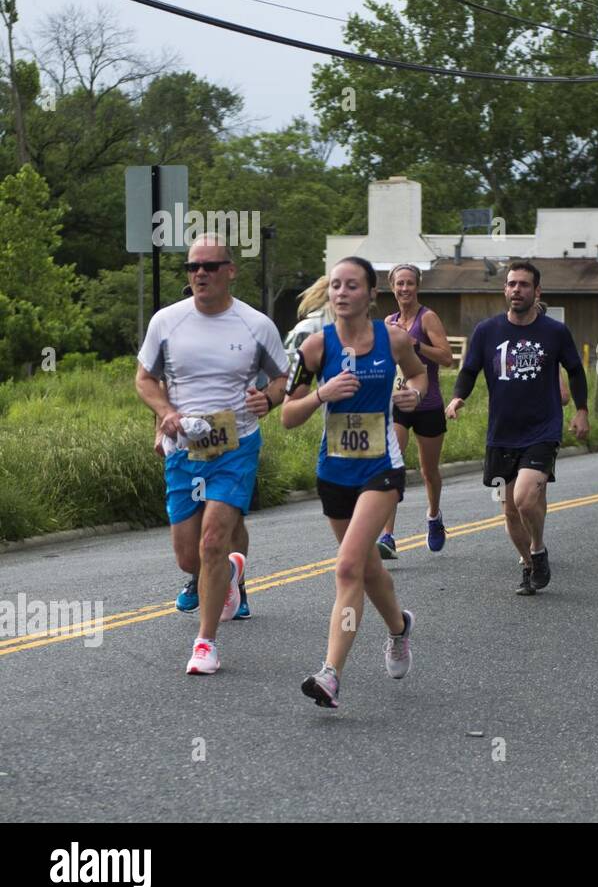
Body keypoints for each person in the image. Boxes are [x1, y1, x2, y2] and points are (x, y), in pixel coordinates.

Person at [135, 235, 289, 675]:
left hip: (235, 445)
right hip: (185, 448)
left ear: (230, 271)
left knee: (212, 542)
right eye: (192, 267)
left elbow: (283, 378)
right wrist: (165, 414)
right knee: (190, 558)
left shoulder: (256, 324)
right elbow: (145, 379)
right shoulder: (167, 321)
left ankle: (205, 643)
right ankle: (230, 573)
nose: (199, 273)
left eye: (210, 266)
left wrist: (268, 398)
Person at [283, 256, 425, 708]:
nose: (341, 293)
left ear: (371, 295)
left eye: (352, 286)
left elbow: (419, 373)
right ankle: (399, 627)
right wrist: (320, 394)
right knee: (366, 567)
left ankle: (330, 675)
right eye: (336, 286)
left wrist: (413, 394)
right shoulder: (314, 347)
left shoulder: (393, 339)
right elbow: (287, 415)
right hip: (334, 472)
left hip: (381, 467)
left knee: (347, 567)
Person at [445, 261, 589, 595]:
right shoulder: (487, 331)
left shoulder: (554, 332)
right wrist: (457, 398)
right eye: (511, 284)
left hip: (542, 430)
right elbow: (469, 370)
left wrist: (581, 410)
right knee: (510, 512)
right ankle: (528, 563)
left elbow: (575, 370)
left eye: (524, 284)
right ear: (505, 289)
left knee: (525, 499)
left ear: (537, 291)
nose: (516, 290)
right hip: (502, 433)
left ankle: (537, 549)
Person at [376, 264, 454, 560]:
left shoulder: (427, 317)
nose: (405, 288)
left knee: (428, 472)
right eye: (400, 283)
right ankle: (387, 536)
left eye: (409, 283)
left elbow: (447, 357)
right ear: (392, 287)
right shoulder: (389, 321)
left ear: (417, 286)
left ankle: (434, 516)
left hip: (428, 403)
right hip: (397, 402)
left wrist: (416, 344)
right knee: (391, 465)